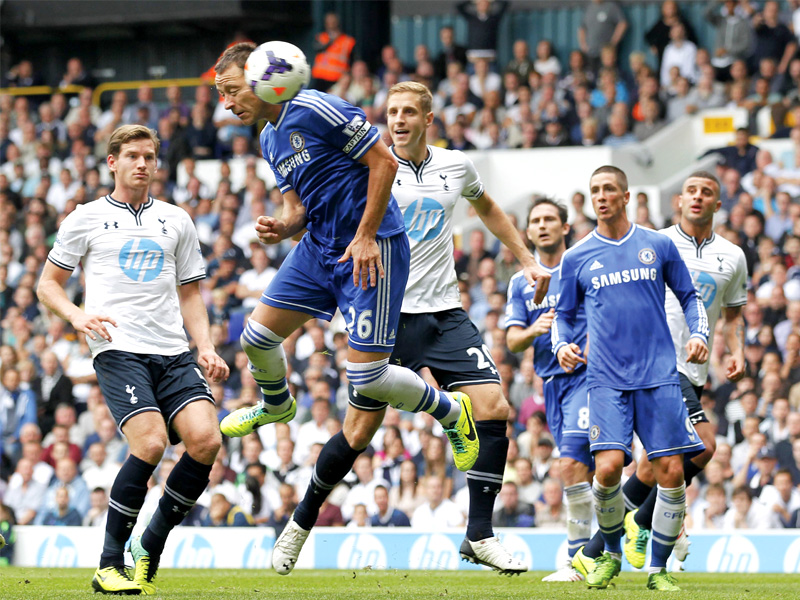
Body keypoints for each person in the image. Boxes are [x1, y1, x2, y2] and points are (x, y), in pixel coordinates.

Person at [213, 44, 528, 574]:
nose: (224, 104)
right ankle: (288, 466)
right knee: (263, 345)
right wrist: (281, 227)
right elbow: (301, 206)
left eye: (229, 90)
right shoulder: (270, 136)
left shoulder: (328, 114)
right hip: (331, 257)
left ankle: (480, 532)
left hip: (404, 282)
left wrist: (365, 236)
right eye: (393, 111)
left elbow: (401, 173)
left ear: (264, 78)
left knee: (492, 408)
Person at [36, 124, 229, 595]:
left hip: (172, 349)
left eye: (149, 156)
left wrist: (204, 345)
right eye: (133, 156)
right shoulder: (85, 217)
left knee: (206, 441)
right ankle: (108, 564)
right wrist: (77, 316)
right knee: (150, 443)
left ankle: (151, 541)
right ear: (112, 162)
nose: (142, 164)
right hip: (117, 347)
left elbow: (191, 293)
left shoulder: (176, 220)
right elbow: (47, 285)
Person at [553, 165, 709, 592]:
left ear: (625, 196)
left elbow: (690, 296)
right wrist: (561, 344)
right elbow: (563, 317)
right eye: (595, 191)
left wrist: (699, 333)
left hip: (658, 375)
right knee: (605, 470)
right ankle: (610, 556)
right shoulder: (577, 256)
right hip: (605, 378)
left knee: (672, 471)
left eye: (608, 190)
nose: (601, 197)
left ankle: (658, 571)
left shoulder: (656, 244)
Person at [620, 171, 748, 570]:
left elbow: (732, 315)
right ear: (679, 200)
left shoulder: (733, 256)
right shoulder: (656, 243)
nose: (697, 197)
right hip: (657, 362)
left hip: (694, 370)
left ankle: (602, 538)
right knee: (704, 445)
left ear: (717, 204)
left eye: (706, 192)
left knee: (652, 465)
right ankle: (643, 524)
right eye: (691, 191)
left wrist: (737, 352)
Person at [506, 198, 593, 582]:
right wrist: (533, 330)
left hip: (588, 377)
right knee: (585, 471)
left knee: (572, 464)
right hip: (551, 385)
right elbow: (511, 342)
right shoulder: (518, 282)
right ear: (527, 232)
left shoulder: (582, 268)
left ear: (564, 227)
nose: (542, 226)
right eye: (536, 221)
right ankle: (612, 538)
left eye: (550, 220)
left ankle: (576, 561)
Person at [310, 12, 356, 92]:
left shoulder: (348, 41)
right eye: (328, 22)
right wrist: (331, 41)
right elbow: (316, 49)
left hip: (337, 80)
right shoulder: (321, 37)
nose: (330, 25)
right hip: (320, 79)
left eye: (333, 22)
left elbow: (353, 61)